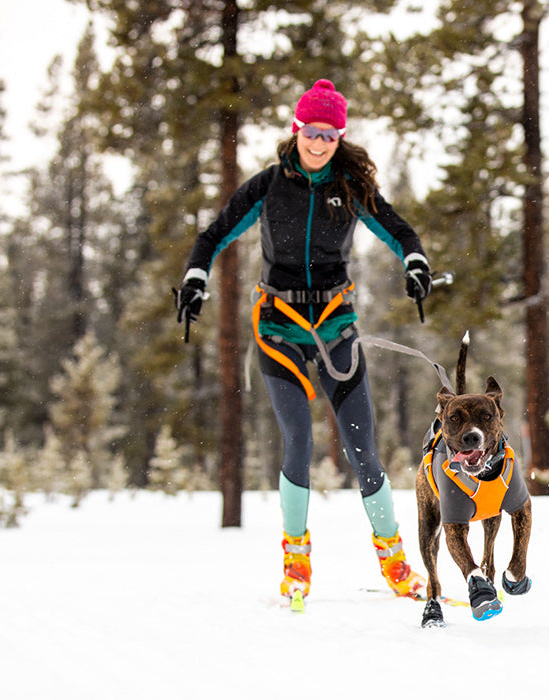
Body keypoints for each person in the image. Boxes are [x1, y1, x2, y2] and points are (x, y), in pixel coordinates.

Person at [174, 79, 433, 606]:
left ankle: (395, 559)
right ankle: (296, 560)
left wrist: (416, 262)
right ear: (297, 131)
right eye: (311, 133)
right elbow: (213, 234)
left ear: (339, 138)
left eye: (330, 136)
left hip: (336, 325)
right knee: (299, 440)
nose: (319, 143)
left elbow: (399, 230)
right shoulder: (268, 186)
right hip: (278, 328)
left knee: (363, 451)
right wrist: (196, 277)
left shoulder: (350, 187)